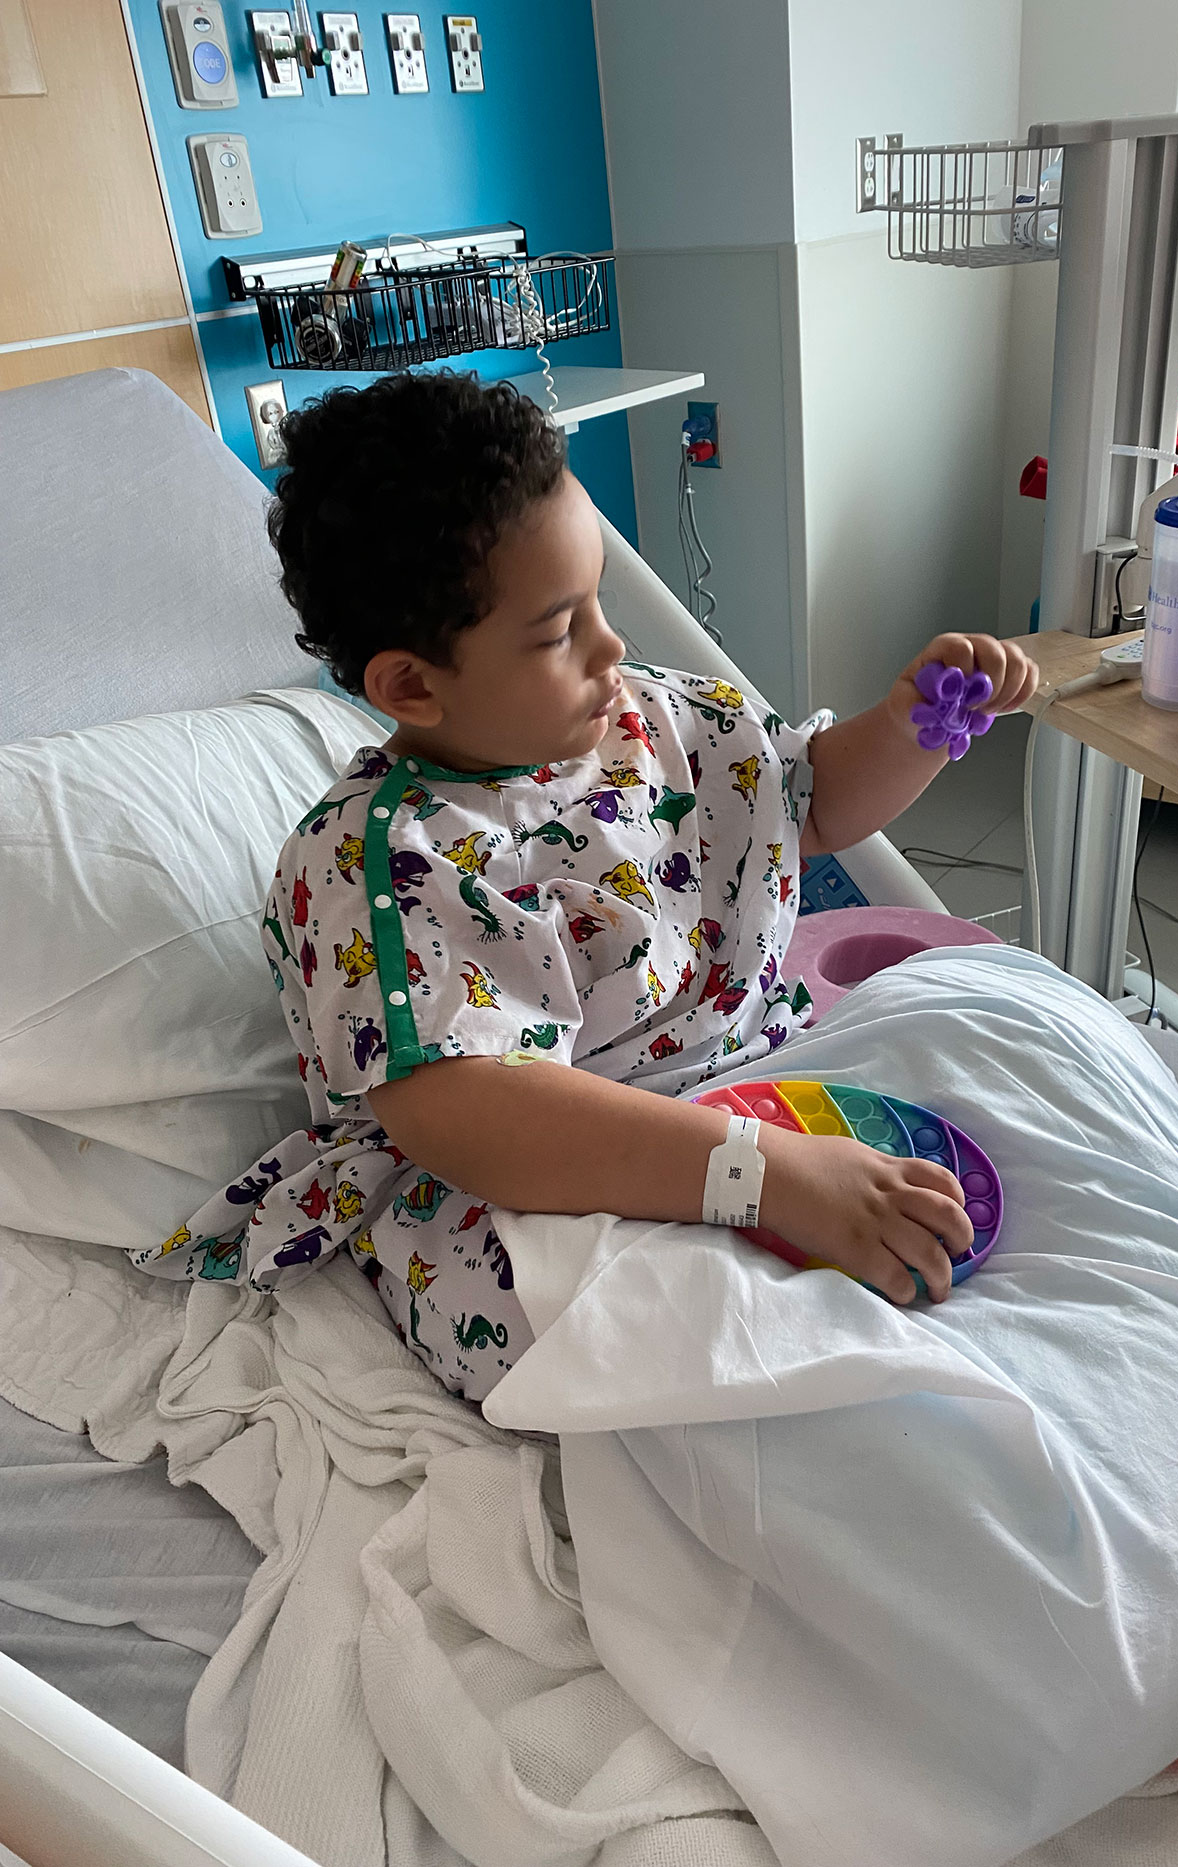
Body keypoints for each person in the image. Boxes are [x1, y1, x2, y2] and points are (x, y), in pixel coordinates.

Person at [132, 371, 1038, 1400]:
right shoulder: (379, 865)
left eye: (598, 599)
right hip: (547, 1180)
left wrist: (913, 728)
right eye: (559, 630)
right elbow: (476, 1118)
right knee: (660, 1332)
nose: (612, 646)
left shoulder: (653, 720)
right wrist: (762, 1176)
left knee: (1022, 1029)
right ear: (411, 685)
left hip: (752, 1067)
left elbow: (809, 804)